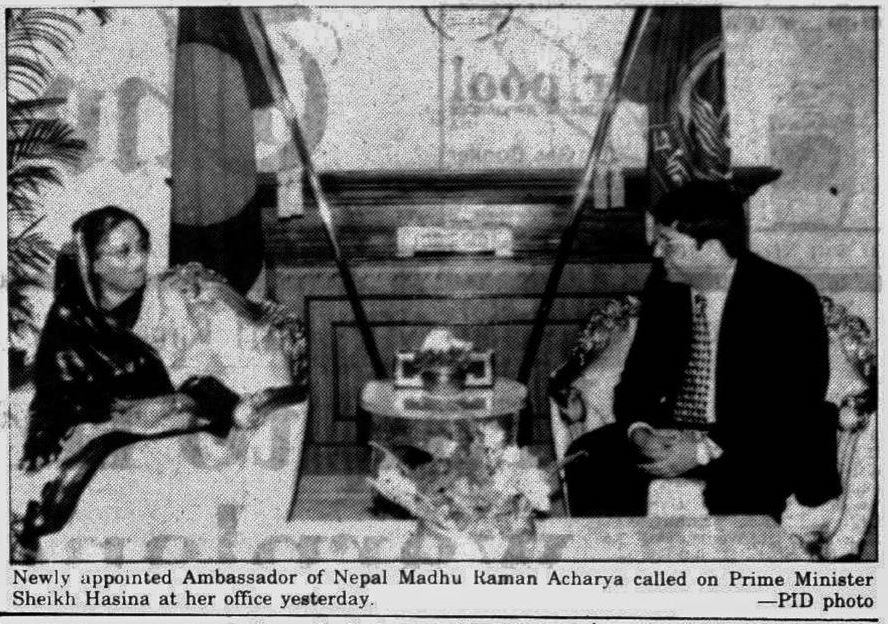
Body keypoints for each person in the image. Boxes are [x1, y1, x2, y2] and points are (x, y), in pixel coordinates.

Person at [563, 181, 842, 520]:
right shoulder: (665, 289)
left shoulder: (786, 296)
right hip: (677, 428)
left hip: (758, 436)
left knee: (739, 487)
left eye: (668, 242)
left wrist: (702, 450)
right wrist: (640, 431)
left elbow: (791, 400)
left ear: (710, 248)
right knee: (587, 458)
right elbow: (638, 379)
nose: (657, 253)